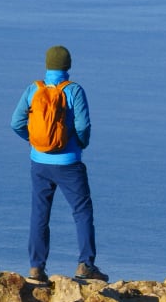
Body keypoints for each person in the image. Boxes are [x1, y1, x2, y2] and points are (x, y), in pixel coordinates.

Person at [10, 44, 106, 284]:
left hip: (39, 163)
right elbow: (83, 126)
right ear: (68, 65)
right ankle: (85, 264)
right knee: (82, 211)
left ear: (47, 65)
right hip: (69, 162)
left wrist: (34, 142)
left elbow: (16, 123)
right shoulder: (74, 90)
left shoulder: (33, 89)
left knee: (40, 214)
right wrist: (79, 145)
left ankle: (36, 268)